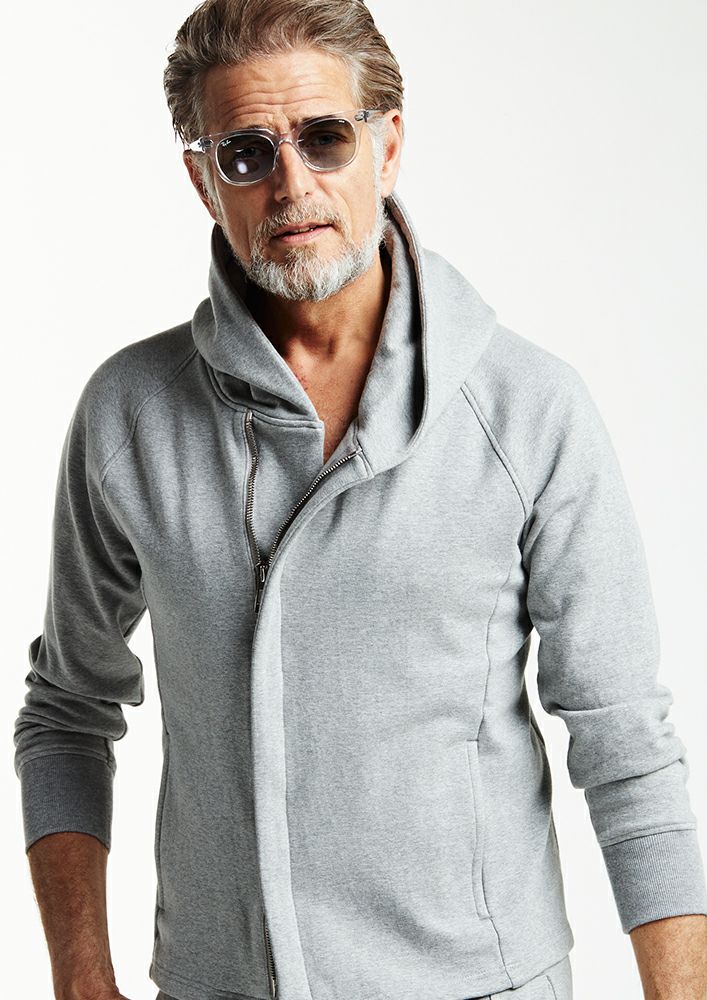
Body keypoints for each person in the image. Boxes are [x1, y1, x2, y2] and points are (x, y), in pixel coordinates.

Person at [13, 1, 707, 999]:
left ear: (385, 144)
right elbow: (67, 711)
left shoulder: (528, 410)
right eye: (246, 153)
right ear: (203, 181)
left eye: (324, 137)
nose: (292, 185)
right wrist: (82, 978)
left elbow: (623, 739)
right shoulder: (131, 413)